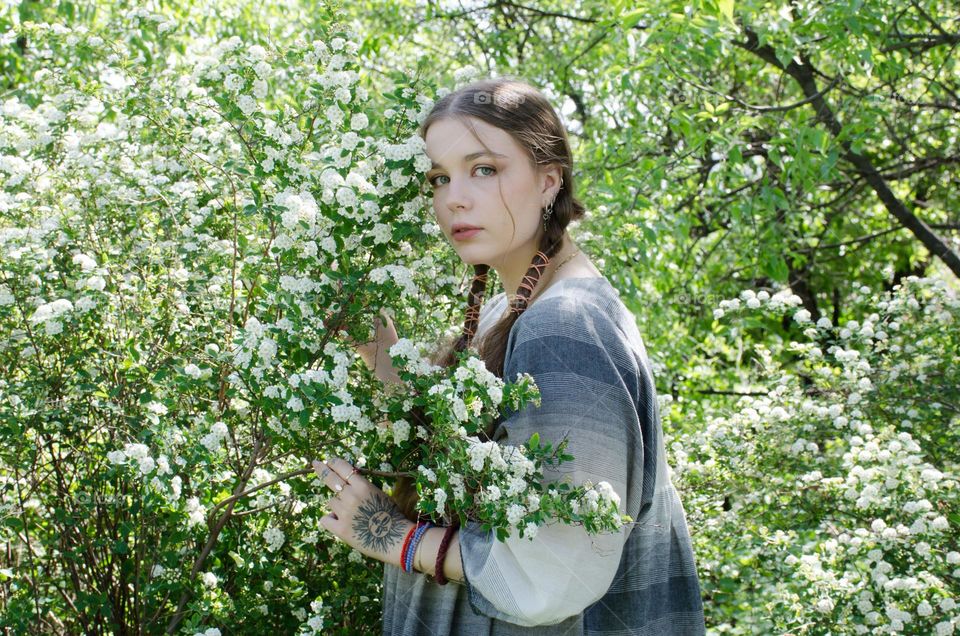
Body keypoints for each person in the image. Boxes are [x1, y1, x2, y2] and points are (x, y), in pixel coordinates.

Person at [312, 76, 706, 635]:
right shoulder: (514, 309)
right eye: (439, 178)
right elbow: (480, 466)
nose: (454, 198)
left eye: (485, 169)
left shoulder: (565, 326)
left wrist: (391, 534)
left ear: (550, 180)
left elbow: (552, 571)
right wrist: (382, 356)